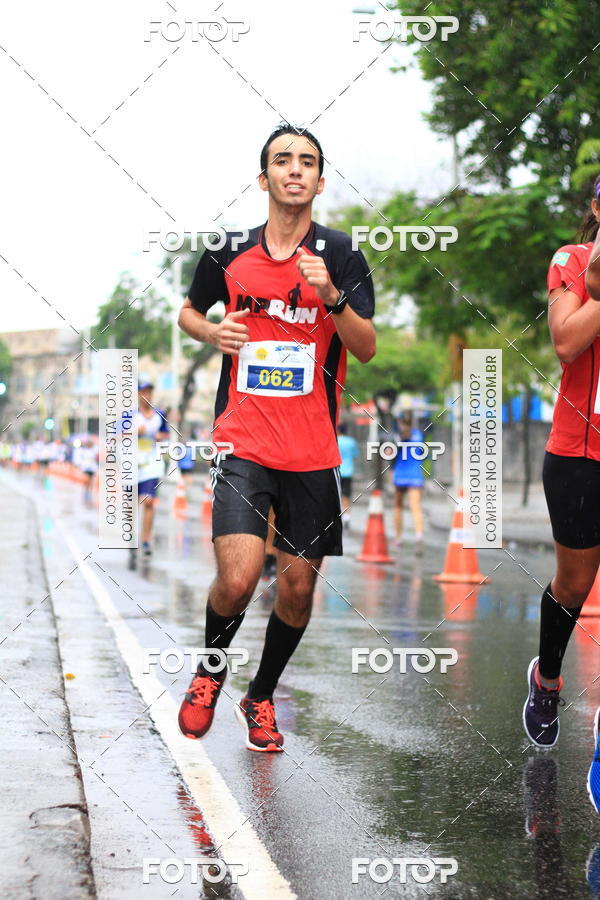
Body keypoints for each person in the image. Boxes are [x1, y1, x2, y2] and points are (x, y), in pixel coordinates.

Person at [177, 123, 376, 751]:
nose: (295, 170)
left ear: (320, 180)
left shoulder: (341, 254)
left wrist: (332, 296)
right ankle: (211, 671)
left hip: (312, 450)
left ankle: (260, 695)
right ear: (264, 179)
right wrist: (211, 334)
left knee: (295, 589)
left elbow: (366, 348)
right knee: (236, 580)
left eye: (308, 162)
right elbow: (189, 311)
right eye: (282, 161)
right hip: (243, 441)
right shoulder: (228, 251)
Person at [523, 175, 600, 814]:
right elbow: (568, 340)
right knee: (574, 587)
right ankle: (547, 680)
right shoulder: (571, 262)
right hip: (579, 453)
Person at [135, 381, 169, 556]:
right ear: (138, 395)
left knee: (148, 500)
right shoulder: (130, 415)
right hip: (133, 464)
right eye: (143, 392)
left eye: (149, 392)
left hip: (152, 464)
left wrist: (159, 436)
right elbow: (116, 435)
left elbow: (166, 433)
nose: (147, 396)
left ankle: (146, 539)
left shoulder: (159, 415)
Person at [392, 411, 424, 551]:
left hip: (400, 474)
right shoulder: (419, 435)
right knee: (415, 507)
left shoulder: (397, 437)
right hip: (415, 474)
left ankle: (398, 538)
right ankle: (419, 536)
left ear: (400, 422)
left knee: (398, 506)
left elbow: (389, 453)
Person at [337, 422, 359, 529]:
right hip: (348, 472)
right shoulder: (351, 442)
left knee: (335, 496)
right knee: (346, 496)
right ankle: (346, 517)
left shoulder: (335, 441)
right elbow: (355, 455)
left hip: (337, 472)